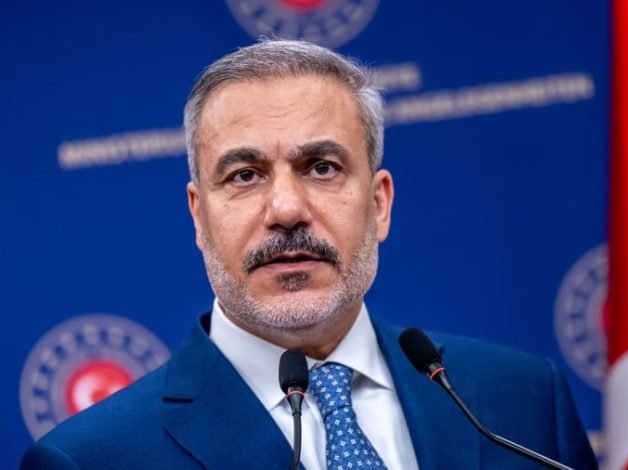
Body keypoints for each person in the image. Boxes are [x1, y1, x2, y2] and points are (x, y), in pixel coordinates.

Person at [21, 39, 597, 470]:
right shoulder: (92, 460)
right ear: (198, 217)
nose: (287, 209)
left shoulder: (522, 399)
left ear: (379, 204)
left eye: (321, 167)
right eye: (245, 175)